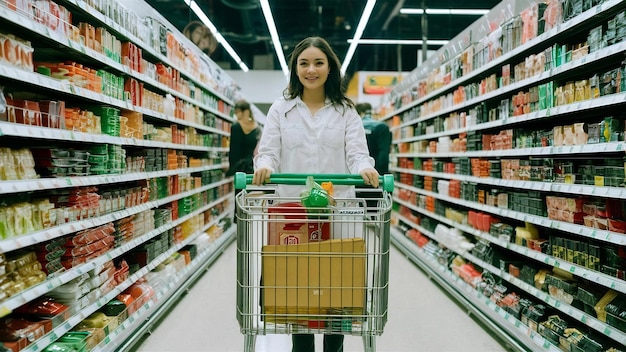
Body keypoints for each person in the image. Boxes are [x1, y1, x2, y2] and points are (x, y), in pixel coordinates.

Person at [252, 36, 379, 352]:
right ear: (295, 69)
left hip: (339, 214)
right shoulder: (281, 109)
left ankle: (334, 346)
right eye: (304, 63)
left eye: (318, 62)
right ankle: (302, 347)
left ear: (330, 67)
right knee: (299, 289)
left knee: (335, 290)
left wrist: (365, 168)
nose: (311, 69)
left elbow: (357, 153)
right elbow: (268, 150)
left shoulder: (346, 111)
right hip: (293, 214)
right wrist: (265, 165)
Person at [355, 102, 391, 175]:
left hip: (357, 172)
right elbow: (383, 154)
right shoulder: (382, 127)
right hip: (375, 173)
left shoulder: (354, 127)